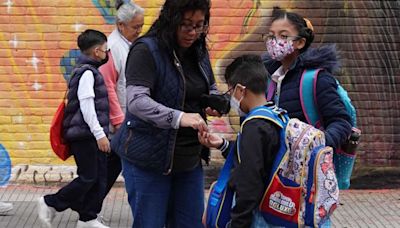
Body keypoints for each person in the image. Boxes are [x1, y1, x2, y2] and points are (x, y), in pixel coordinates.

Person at [111, 0, 219, 227]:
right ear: (171, 19)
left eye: (199, 25)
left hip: (189, 159)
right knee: (150, 223)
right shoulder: (146, 49)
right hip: (148, 159)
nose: (193, 32)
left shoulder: (198, 49)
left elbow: (209, 86)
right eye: (186, 24)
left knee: (192, 223)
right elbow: (137, 101)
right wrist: (180, 117)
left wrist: (215, 101)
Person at [37, 29, 111, 228]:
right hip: (85, 136)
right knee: (88, 178)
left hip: (87, 134)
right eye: (106, 49)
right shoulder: (87, 73)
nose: (107, 53)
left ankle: (88, 218)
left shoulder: (88, 70)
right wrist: (100, 134)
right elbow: (87, 106)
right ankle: (50, 202)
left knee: (97, 178)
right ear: (97, 51)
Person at [198, 55, 281, 228]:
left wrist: (238, 222)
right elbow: (261, 159)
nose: (232, 99)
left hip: (257, 216)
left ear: (241, 90)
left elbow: (249, 180)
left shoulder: (254, 126)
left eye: (230, 91)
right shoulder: (276, 115)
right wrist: (223, 145)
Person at [262, 7, 352, 151]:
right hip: (276, 166)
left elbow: (341, 122)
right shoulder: (269, 78)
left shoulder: (317, 79)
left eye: (283, 36)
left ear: (300, 43)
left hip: (307, 166)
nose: (274, 42)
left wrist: (317, 146)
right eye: (271, 36)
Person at [98, 0, 144, 211]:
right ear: (120, 24)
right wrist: (117, 120)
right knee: (116, 168)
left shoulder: (127, 44)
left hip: (127, 118)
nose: (139, 31)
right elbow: (108, 86)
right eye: (135, 27)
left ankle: (88, 210)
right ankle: (82, 208)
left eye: (140, 26)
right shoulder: (114, 47)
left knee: (111, 168)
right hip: (121, 121)